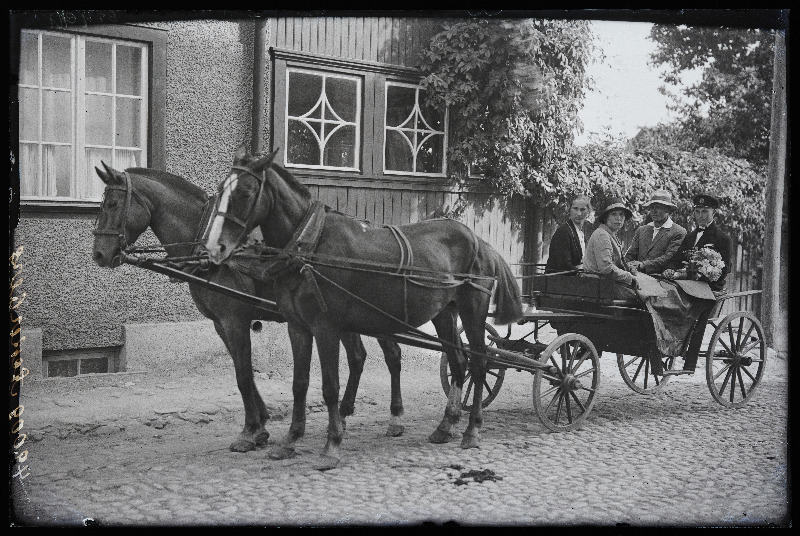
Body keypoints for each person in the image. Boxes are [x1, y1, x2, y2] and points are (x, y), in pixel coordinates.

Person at [661, 193, 733, 376]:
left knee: (696, 314)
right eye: (698, 212)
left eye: (705, 212)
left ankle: (690, 362)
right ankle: (664, 347)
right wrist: (670, 269)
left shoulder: (722, 238)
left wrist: (705, 274)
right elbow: (676, 259)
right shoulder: (690, 236)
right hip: (686, 285)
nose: (700, 215)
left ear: (713, 213)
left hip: (709, 289)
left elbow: (725, 270)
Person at [583, 197, 637, 300]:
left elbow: (615, 263)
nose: (619, 218)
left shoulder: (610, 234)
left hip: (606, 282)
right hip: (600, 285)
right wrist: (628, 276)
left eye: (621, 214)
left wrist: (629, 269)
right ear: (606, 218)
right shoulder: (602, 235)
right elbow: (606, 268)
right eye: (614, 214)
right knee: (644, 297)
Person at [625, 189, 687, 275]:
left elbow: (668, 257)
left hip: (660, 279)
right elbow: (630, 255)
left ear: (668, 210)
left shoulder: (678, 232)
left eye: (658, 207)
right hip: (636, 275)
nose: (654, 211)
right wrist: (627, 264)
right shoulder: (641, 230)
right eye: (652, 207)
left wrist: (643, 265)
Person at [545, 194, 592, 274]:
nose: (579, 213)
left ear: (588, 212)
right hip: (558, 281)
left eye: (582, 209)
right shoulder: (563, 232)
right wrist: (581, 271)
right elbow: (564, 265)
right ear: (569, 209)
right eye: (575, 209)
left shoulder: (580, 234)